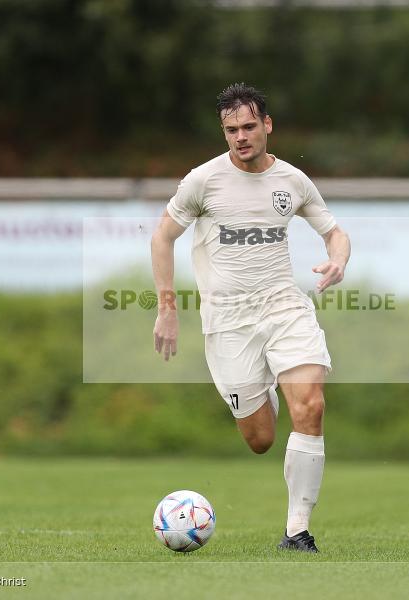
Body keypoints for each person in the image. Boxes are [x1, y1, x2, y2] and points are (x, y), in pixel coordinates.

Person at [150, 83, 350, 551]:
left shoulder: (293, 182)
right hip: (228, 322)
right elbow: (162, 238)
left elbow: (334, 232)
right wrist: (167, 310)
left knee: (312, 406)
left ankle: (297, 531)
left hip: (284, 306)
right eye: (230, 129)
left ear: (267, 126)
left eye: (248, 126)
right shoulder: (202, 181)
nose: (240, 136)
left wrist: (338, 258)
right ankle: (264, 393)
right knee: (260, 438)